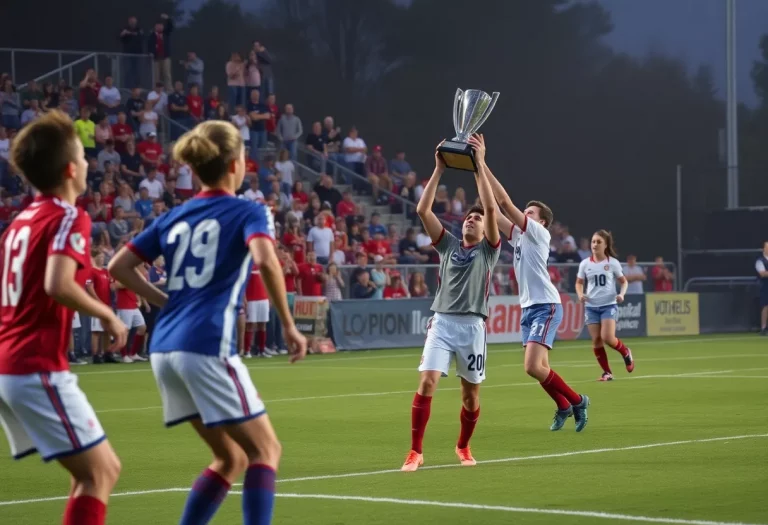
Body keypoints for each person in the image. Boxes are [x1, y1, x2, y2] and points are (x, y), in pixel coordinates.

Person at [107, 120, 306, 525]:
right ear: (237, 164)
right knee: (265, 452)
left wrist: (167, 302)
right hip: (205, 345)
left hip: (163, 350)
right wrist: (288, 324)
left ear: (195, 169)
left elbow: (119, 267)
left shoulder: (175, 216)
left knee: (228, 457)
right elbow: (266, 260)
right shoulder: (249, 210)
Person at [0, 111, 127, 525]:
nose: (90, 163)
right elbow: (58, 283)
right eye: (84, 157)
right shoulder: (69, 215)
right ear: (71, 168)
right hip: (35, 364)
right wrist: (107, 314)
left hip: (11, 362)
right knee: (102, 472)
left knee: (90, 474)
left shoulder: (19, 221)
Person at [401, 135, 500, 472]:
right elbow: (422, 210)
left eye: (477, 219)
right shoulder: (448, 245)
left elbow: (490, 207)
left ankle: (463, 445)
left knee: (470, 396)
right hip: (442, 322)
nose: (471, 219)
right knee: (427, 382)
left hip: (472, 327)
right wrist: (439, 169)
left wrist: (478, 165)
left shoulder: (489, 250)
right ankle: (415, 452)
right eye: (468, 218)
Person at [483, 139, 590, 433]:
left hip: (546, 305)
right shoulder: (519, 237)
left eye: (529, 213)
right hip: (529, 307)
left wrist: (482, 162)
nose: (524, 215)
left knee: (532, 367)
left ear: (541, 221)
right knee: (538, 369)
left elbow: (504, 203)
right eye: (526, 212)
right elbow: (492, 208)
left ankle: (578, 401)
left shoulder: (539, 233)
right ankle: (565, 406)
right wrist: (477, 170)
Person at [575, 231, 635, 382]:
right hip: (591, 306)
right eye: (593, 241)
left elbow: (624, 281)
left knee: (607, 337)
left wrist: (621, 294)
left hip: (608, 305)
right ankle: (607, 372)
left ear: (605, 245)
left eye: (598, 242)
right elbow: (579, 283)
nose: (595, 245)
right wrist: (580, 294)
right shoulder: (585, 264)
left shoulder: (612, 263)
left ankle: (625, 352)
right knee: (596, 340)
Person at [86, 249, 120, 364]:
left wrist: (114, 284)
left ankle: (107, 353)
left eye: (102, 257)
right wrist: (99, 302)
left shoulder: (106, 271)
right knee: (96, 331)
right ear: (94, 258)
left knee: (107, 330)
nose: (101, 259)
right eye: (99, 257)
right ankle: (95, 355)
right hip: (97, 305)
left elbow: (112, 287)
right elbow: (90, 288)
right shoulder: (91, 271)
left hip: (108, 304)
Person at [244, 267, 272, 359]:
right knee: (250, 325)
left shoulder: (262, 265)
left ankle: (261, 350)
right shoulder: (248, 265)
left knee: (262, 324)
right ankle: (247, 351)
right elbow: (242, 284)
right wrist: (244, 299)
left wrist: (269, 298)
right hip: (251, 299)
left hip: (263, 299)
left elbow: (268, 283)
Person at [757, 241, 768, 336]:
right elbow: (763, 273)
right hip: (765, 286)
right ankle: (763, 327)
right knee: (765, 306)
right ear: (763, 249)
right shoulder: (760, 261)